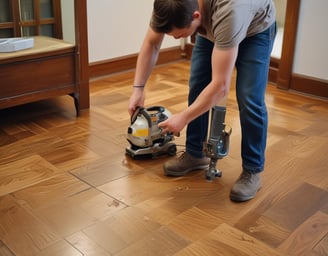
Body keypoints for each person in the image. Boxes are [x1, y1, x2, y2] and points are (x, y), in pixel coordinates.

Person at [128, 0, 276, 202]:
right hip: (214, 22)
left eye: (177, 34)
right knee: (197, 85)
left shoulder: (230, 11)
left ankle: (252, 170)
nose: (173, 38)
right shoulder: (170, 4)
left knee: (249, 99)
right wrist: (138, 89)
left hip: (254, 30)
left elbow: (220, 85)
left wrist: (184, 118)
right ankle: (195, 154)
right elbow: (152, 43)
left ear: (196, 17)